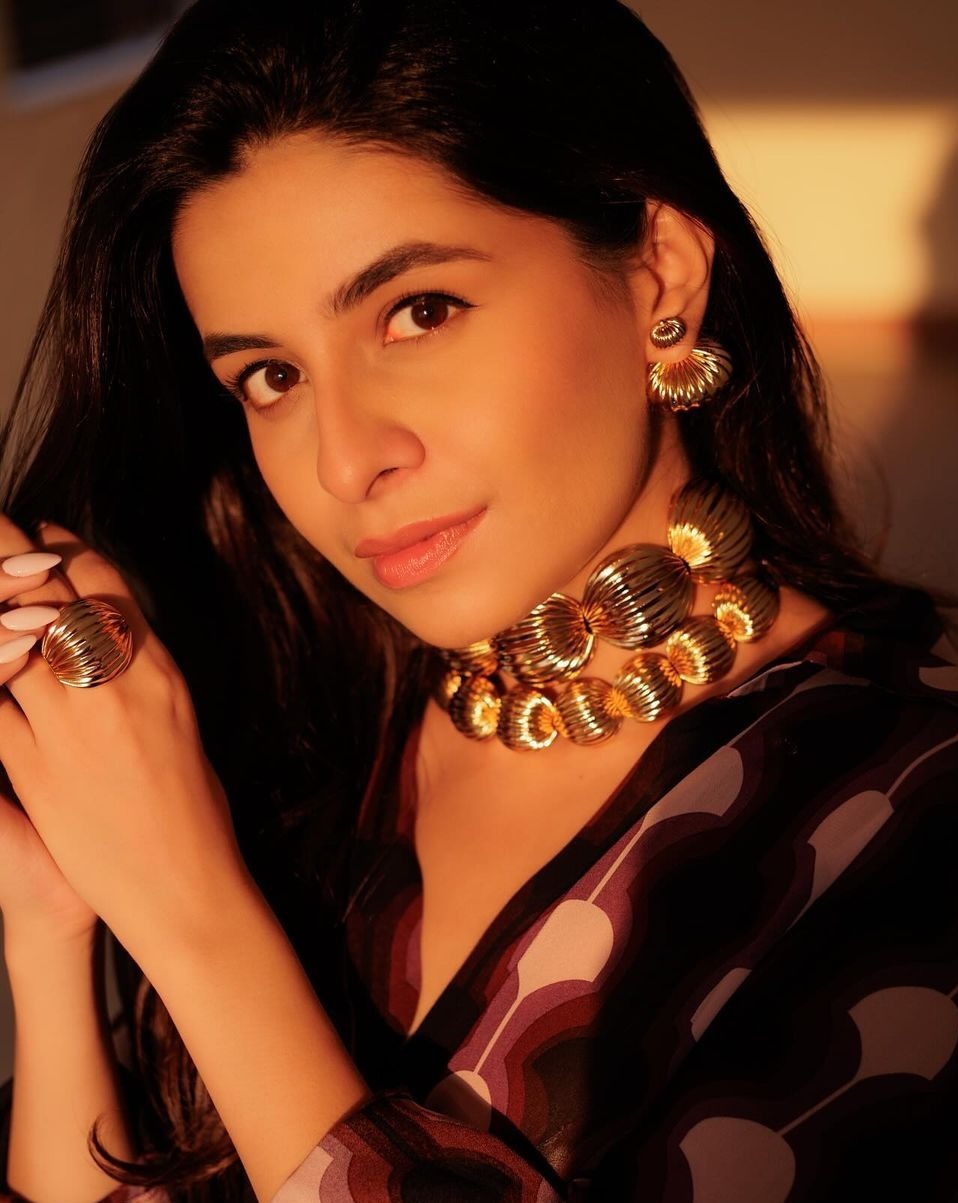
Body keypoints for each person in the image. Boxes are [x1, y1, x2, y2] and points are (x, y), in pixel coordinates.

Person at [0, 0, 955, 1200]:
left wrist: (192, 913)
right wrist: (59, 919)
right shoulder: (300, 746)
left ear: (659, 273)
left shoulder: (906, 811)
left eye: (419, 312)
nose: (345, 460)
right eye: (271, 376)